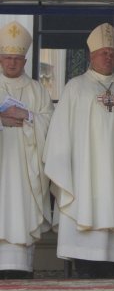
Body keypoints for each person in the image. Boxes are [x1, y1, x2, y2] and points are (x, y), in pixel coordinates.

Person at [44, 23, 114, 278]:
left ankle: (109, 270)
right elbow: (60, 134)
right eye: (103, 52)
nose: (108, 56)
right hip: (84, 180)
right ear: (91, 55)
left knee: (109, 265)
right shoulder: (75, 88)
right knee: (85, 266)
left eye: (112, 53)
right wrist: (63, 167)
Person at [0, 21, 54, 279]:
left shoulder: (37, 90)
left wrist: (29, 117)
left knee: (20, 211)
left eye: (17, 59)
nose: (12, 63)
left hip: (25, 169)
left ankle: (20, 268)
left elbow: (50, 124)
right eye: (8, 58)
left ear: (24, 60)